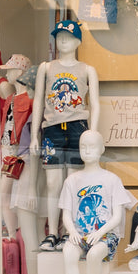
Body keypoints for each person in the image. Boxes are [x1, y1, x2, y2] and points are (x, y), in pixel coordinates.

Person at [29, 19, 100, 251]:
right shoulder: (46, 68)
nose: (63, 41)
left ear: (78, 41)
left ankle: (71, 232)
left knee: (74, 183)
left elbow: (95, 104)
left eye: (68, 37)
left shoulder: (87, 70)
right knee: (53, 184)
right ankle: (52, 233)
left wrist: (92, 134)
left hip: (78, 128)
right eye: (59, 37)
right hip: (52, 128)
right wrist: (34, 135)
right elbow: (38, 101)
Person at [58, 129, 135, 274]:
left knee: (94, 255)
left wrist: (100, 232)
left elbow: (117, 217)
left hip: (106, 235)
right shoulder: (71, 180)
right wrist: (72, 230)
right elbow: (66, 214)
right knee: (68, 252)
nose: (87, 150)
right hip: (80, 234)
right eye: (83, 146)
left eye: (92, 146)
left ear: (102, 149)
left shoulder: (112, 179)